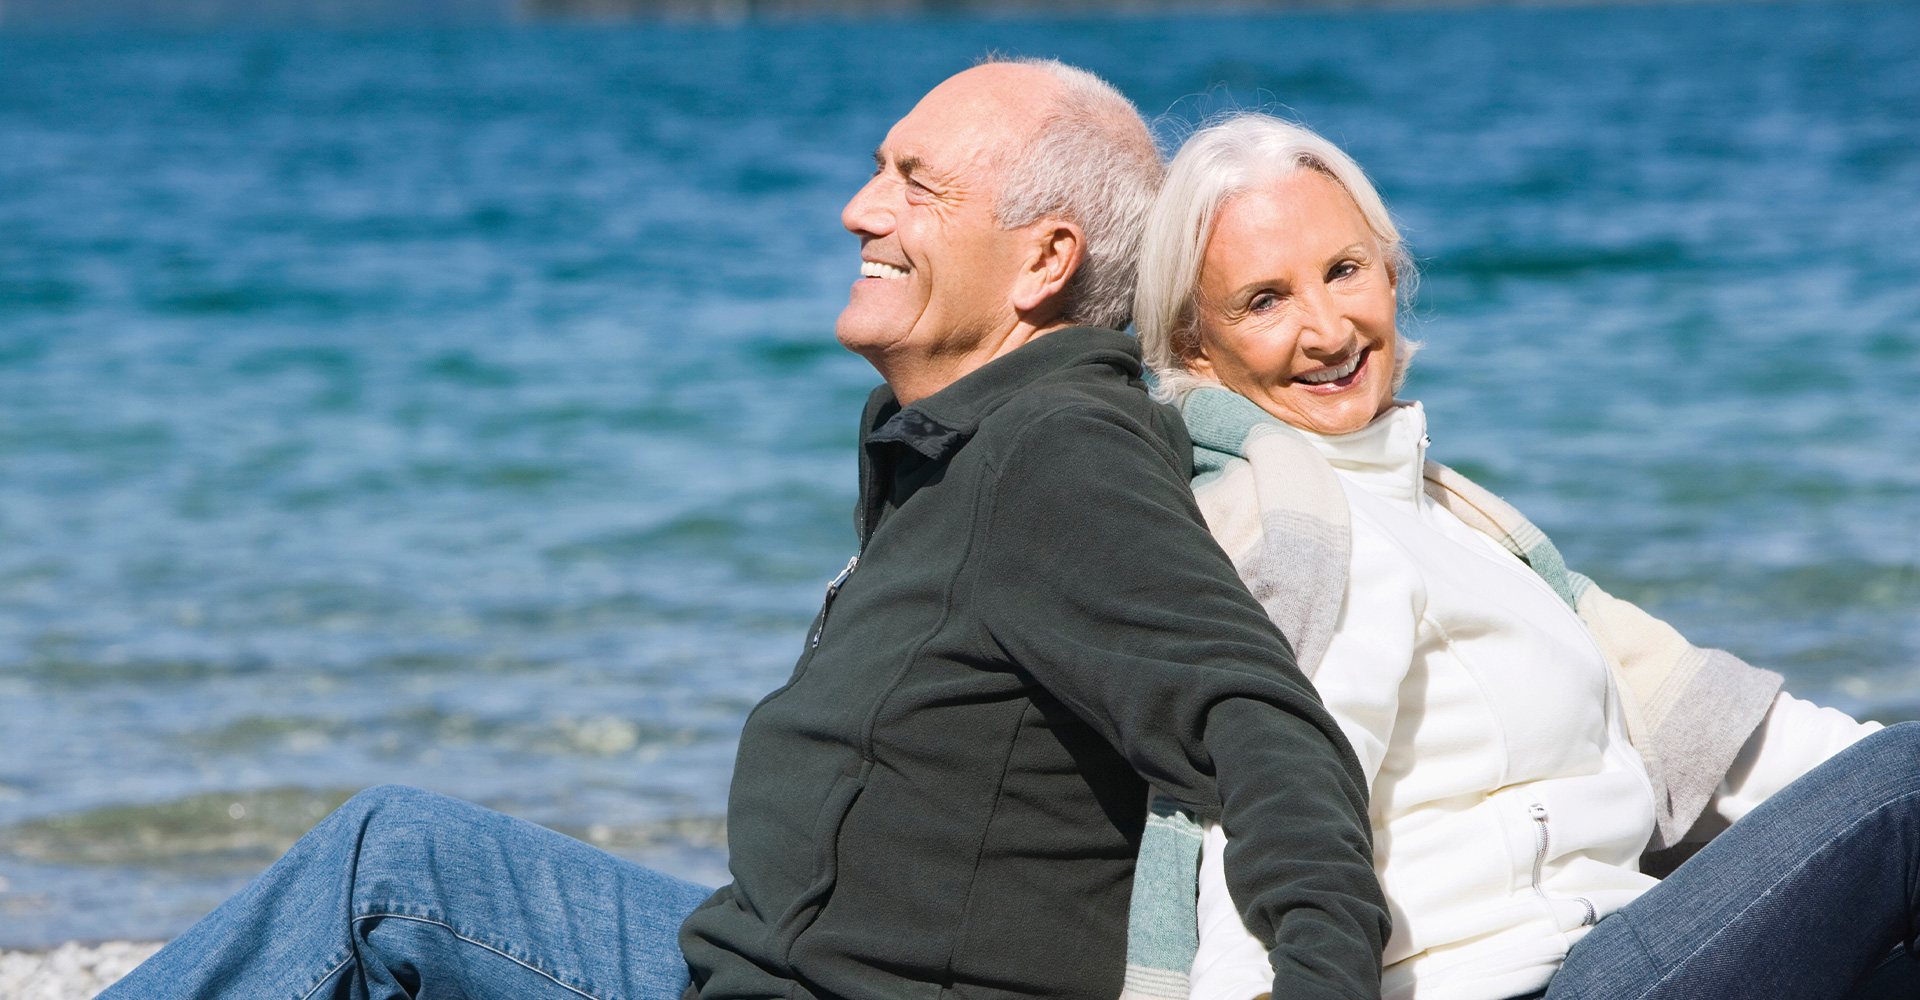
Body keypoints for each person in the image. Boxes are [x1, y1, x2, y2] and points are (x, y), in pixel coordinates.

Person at [102, 65, 1392, 1000]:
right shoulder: (960, 443)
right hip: (752, 949)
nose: (857, 207)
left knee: (392, 865)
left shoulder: (1057, 447)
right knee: (402, 848)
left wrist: (1320, 979)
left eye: (914, 183)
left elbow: (1258, 721)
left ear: (1043, 259)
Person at [1123, 110, 1918, 1000]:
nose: (1328, 329)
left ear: (1391, 274)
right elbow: (1272, 817)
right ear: (1196, 343)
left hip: (1620, 940)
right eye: (1265, 301)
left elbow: (1739, 748)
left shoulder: (1457, 519)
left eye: (1344, 271)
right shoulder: (1297, 534)